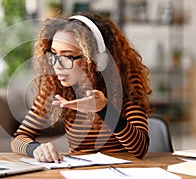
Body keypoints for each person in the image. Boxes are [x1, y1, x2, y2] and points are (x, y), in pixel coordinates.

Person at [11, 13, 152, 163]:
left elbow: (140, 148)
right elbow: (18, 138)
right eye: (53, 54)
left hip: (124, 176)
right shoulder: (56, 87)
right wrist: (35, 149)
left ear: (97, 60)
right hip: (78, 174)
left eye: (67, 56)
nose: (57, 65)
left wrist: (105, 109)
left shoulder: (124, 83)